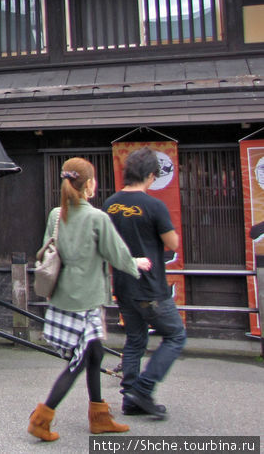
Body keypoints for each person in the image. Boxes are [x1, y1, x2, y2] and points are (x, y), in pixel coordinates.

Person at [28, 157, 152, 442]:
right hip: (86, 300)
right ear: (89, 185)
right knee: (79, 360)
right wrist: (137, 264)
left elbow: (47, 247)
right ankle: (41, 419)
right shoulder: (97, 218)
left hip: (63, 296)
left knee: (94, 354)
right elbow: (116, 254)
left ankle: (100, 417)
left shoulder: (57, 215)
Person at [103, 146, 187, 420]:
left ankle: (130, 397)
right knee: (175, 335)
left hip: (124, 286)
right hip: (151, 287)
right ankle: (143, 388)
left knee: (135, 339)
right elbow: (172, 243)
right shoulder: (154, 205)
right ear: (151, 175)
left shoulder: (110, 204)